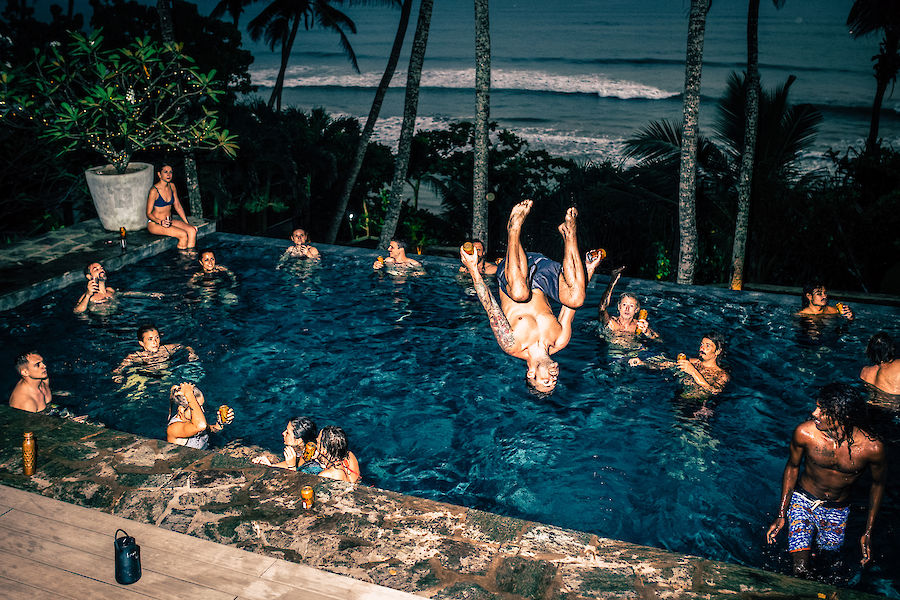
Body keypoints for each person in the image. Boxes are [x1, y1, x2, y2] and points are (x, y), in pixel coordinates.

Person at [461, 200, 597, 394]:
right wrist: (587, 270)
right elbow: (570, 307)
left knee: (520, 293)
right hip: (542, 272)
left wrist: (473, 269)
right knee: (576, 299)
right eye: (555, 382)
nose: (553, 378)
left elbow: (491, 307)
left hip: (513, 273)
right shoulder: (560, 340)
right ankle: (569, 233)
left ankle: (513, 228)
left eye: (546, 382)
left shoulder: (512, 345)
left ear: (531, 374)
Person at [765, 383, 886, 578]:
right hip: (802, 501)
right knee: (801, 570)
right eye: (817, 406)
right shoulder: (805, 434)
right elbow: (792, 467)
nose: (814, 413)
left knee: (827, 562)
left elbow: (878, 485)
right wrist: (782, 513)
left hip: (838, 508)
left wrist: (868, 531)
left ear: (844, 417)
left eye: (823, 410)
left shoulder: (871, 448)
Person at [628, 332, 730, 399]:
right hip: (679, 399)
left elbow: (714, 392)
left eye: (708, 345)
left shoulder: (721, 375)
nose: (702, 348)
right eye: (702, 344)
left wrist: (693, 372)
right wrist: (643, 363)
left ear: (717, 351)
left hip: (700, 408)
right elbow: (666, 364)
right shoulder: (693, 362)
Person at [113, 324, 199, 382]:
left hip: (166, 374)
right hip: (145, 376)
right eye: (150, 339)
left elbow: (186, 347)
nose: (155, 342)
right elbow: (118, 369)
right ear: (142, 343)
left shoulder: (166, 349)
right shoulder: (137, 356)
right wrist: (118, 375)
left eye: (157, 338)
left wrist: (191, 354)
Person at [73, 262, 164, 313]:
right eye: (96, 269)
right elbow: (77, 311)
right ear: (89, 277)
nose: (101, 270)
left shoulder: (110, 290)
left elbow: (126, 294)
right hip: (99, 325)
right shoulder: (89, 296)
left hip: (118, 316)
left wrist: (149, 295)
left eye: (101, 268)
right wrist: (88, 294)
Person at [165, 381, 233, 449]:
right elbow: (201, 426)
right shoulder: (173, 429)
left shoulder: (195, 420)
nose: (202, 411)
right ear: (181, 410)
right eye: (198, 406)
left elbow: (213, 429)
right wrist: (189, 393)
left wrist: (220, 423)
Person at [146, 163, 198, 250]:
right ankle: (184, 261)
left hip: (169, 221)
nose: (169, 175)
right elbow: (148, 213)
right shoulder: (154, 191)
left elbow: (177, 205)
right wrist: (160, 222)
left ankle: (191, 256)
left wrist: (187, 223)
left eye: (170, 172)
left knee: (192, 230)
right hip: (155, 224)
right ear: (159, 174)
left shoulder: (172, 186)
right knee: (183, 235)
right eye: (165, 172)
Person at [597, 266, 658, 340]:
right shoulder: (611, 323)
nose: (627, 309)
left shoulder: (639, 326)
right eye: (624, 304)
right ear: (619, 307)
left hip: (636, 350)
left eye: (631, 306)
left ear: (636, 310)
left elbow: (659, 341)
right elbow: (602, 308)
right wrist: (612, 282)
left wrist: (647, 332)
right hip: (615, 351)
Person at [252, 416, 322, 472]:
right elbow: (296, 462)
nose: (283, 433)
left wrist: (292, 467)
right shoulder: (303, 450)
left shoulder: (312, 464)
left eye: (287, 433)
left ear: (299, 440)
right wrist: (271, 466)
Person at [859, 331, 900, 397]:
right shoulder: (898, 365)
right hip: (893, 405)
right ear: (892, 348)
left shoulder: (864, 372)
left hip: (872, 405)